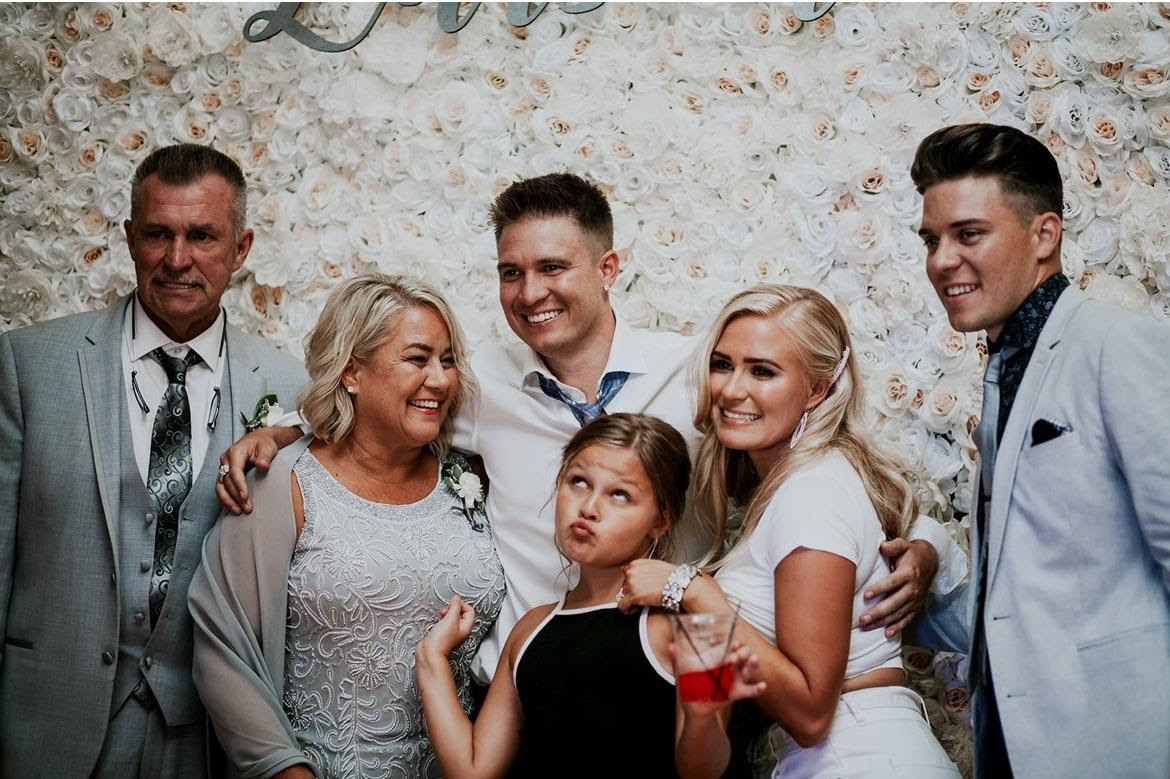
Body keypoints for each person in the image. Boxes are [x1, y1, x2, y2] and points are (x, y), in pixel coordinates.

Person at [214, 173, 956, 684]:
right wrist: (281, 432)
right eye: (510, 272)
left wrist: (925, 543)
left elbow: (828, 465)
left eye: (551, 268)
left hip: (680, 673)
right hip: (537, 679)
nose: (529, 293)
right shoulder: (478, 386)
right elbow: (378, 401)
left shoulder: (698, 373)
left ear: (608, 267)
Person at [0, 144, 307, 776]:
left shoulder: (291, 388)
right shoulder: (29, 365)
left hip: (208, 735)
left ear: (242, 248)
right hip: (48, 722)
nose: (177, 259)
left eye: (202, 236)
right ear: (129, 239)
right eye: (158, 234)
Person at [909, 123, 1170, 778]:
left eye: (969, 234)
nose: (942, 260)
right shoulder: (1003, 370)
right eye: (932, 239)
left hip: (1120, 743)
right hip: (1016, 746)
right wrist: (911, 579)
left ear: (1044, 235)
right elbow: (1020, 595)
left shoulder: (1114, 346)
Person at [623, 285, 959, 778]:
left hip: (862, 758)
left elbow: (810, 713)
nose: (732, 389)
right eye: (723, 364)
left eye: (763, 371)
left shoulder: (812, 494)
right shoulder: (803, 484)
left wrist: (690, 590)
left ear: (819, 388)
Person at [188, 274, 506, 779]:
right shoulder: (281, 483)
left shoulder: (470, 474)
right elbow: (222, 648)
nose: (442, 379)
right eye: (417, 359)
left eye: (447, 360)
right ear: (352, 371)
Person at [415, 412, 763, 778]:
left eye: (620, 494)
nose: (589, 508)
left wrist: (703, 714)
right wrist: (432, 658)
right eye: (578, 481)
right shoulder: (530, 629)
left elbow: (704, 772)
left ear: (660, 520)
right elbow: (473, 771)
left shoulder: (687, 621)